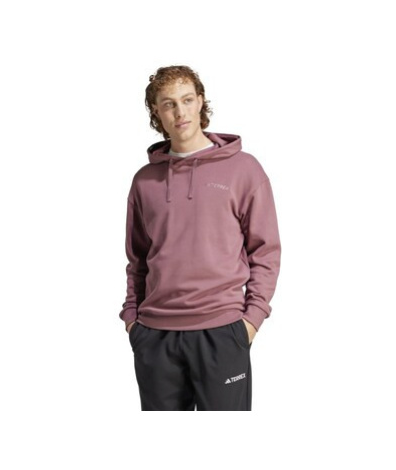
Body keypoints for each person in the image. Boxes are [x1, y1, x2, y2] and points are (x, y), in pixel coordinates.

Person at [119, 65, 281, 411]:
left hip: (222, 331)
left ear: (200, 101)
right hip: (155, 336)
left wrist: (251, 320)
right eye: (169, 104)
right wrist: (133, 320)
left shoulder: (244, 169)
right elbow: (138, 259)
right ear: (156, 112)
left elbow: (265, 252)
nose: (180, 112)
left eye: (187, 100)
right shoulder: (144, 181)